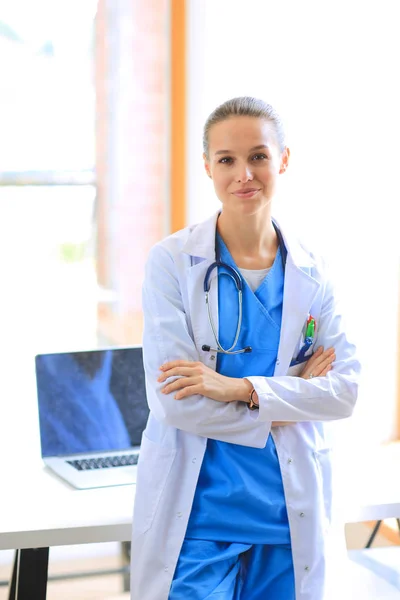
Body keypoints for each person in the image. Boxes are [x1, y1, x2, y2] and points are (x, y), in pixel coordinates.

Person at [130, 97, 360, 600]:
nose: (244, 174)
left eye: (258, 156)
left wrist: (237, 388)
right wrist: (294, 396)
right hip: (198, 514)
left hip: (285, 514)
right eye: (227, 159)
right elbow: (177, 402)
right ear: (208, 166)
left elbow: (343, 392)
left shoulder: (313, 269)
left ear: (283, 159)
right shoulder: (171, 262)